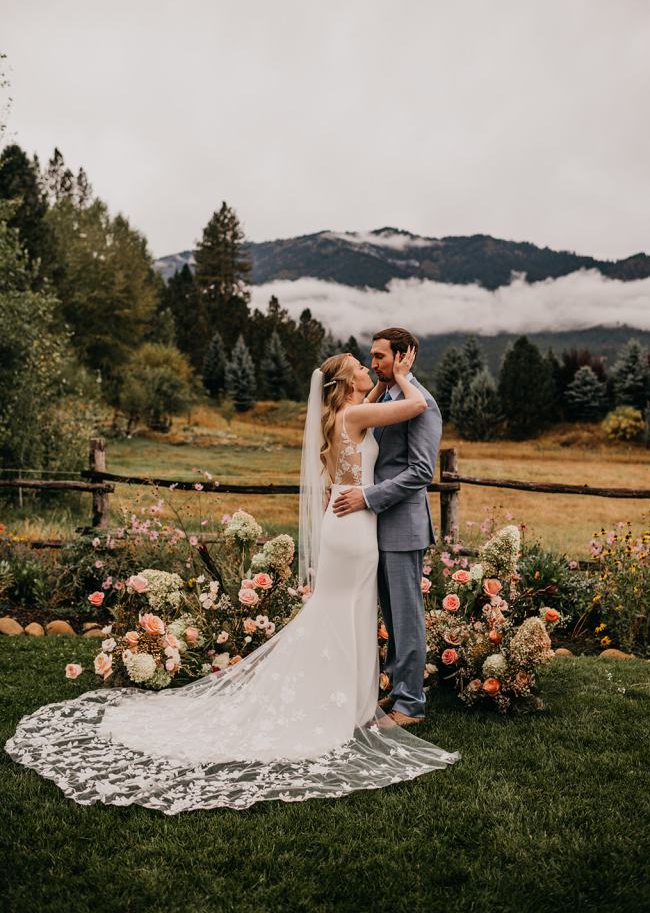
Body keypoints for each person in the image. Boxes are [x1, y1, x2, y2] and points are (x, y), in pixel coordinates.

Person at [4, 349, 459, 814]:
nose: (370, 368)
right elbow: (417, 406)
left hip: (346, 520)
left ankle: (352, 701)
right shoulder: (358, 411)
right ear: (345, 382)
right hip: (354, 524)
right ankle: (343, 704)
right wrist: (403, 375)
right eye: (361, 368)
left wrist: (386, 380)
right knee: (344, 611)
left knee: (345, 609)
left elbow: (379, 403)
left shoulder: (342, 412)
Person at [332, 328, 441, 726]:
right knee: (390, 619)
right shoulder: (385, 399)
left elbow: (421, 472)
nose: (373, 363)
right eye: (371, 357)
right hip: (374, 526)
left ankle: (410, 706)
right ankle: (397, 691)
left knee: (406, 617)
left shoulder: (422, 403)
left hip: (402, 525)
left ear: (402, 357)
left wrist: (368, 496)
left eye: (379, 356)